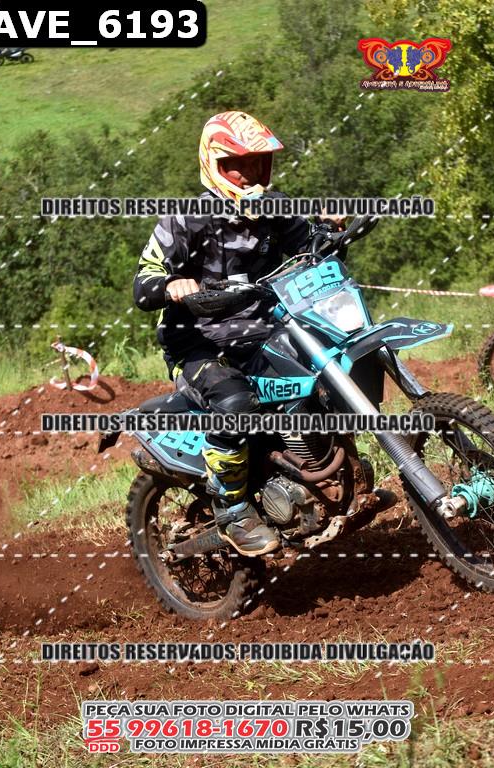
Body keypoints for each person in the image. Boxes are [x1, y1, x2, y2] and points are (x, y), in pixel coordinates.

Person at [134, 111, 339, 556]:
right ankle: (232, 512)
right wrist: (171, 284)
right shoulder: (186, 219)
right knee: (235, 402)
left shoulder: (274, 206)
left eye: (257, 163)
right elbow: (143, 282)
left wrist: (328, 227)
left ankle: (317, 469)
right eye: (236, 165)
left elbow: (308, 246)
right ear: (213, 164)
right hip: (199, 341)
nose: (248, 174)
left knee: (324, 369)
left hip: (265, 327)